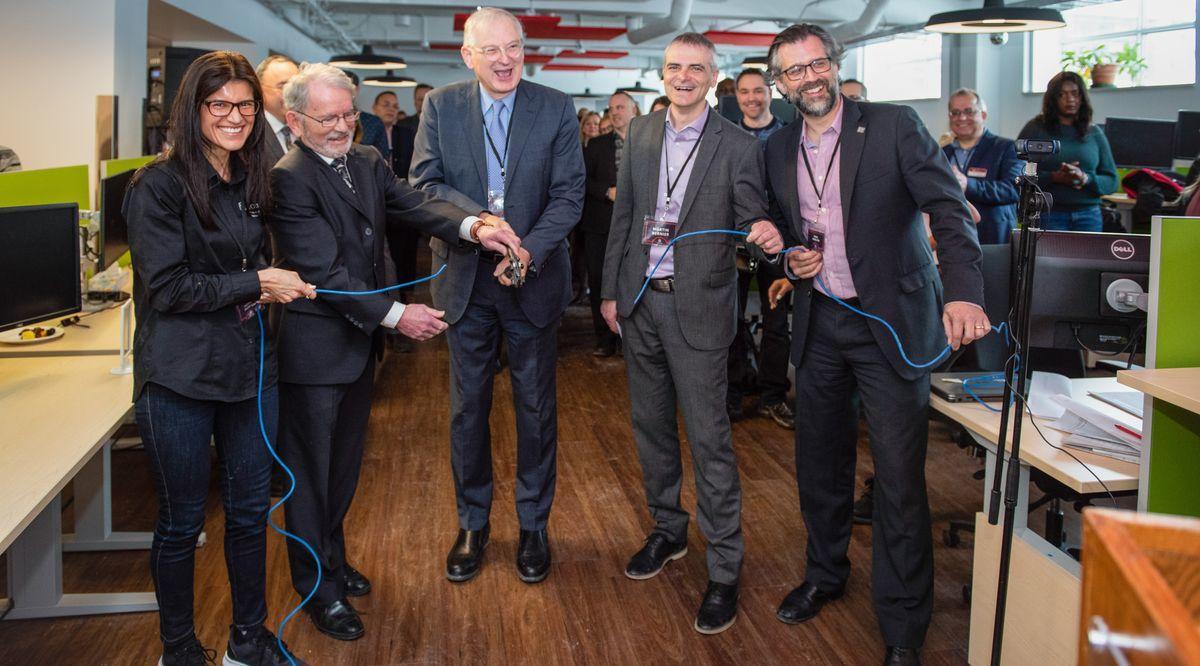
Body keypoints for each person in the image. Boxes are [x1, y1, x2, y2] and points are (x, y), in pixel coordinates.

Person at [269, 62, 520, 641]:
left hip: (355, 346)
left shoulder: (365, 160)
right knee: (311, 478)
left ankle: (332, 561)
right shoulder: (289, 178)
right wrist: (397, 316)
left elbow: (414, 205)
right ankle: (316, 591)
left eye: (347, 115)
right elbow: (322, 272)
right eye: (327, 117)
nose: (340, 127)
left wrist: (475, 227)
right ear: (295, 119)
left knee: (342, 470)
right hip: (314, 351)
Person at [763, 24, 987, 665]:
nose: (809, 77)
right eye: (794, 70)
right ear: (779, 83)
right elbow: (779, 232)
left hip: (891, 322)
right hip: (822, 323)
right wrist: (788, 264)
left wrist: (964, 293)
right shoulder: (777, 148)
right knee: (819, 468)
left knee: (896, 478)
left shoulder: (893, 126)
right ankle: (825, 576)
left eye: (817, 64)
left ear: (834, 65)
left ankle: (904, 626)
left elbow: (948, 209)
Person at [124, 50, 315, 666]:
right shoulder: (157, 185)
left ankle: (247, 641)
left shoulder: (250, 177)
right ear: (194, 109)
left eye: (246, 105)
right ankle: (179, 651)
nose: (235, 116)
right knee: (182, 523)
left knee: (248, 515)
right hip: (179, 379)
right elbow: (167, 288)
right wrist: (260, 282)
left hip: (247, 372)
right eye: (220, 105)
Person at [600, 32, 784, 635]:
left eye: (696, 68)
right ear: (662, 74)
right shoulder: (640, 132)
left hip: (700, 307)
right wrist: (610, 291)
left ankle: (724, 567)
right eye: (674, 67)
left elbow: (749, 213)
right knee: (650, 427)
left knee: (709, 442)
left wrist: (758, 230)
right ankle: (667, 531)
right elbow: (624, 216)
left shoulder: (736, 144)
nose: (683, 76)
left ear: (713, 76)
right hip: (640, 302)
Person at [409, 7, 586, 585]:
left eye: (514, 46)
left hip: (531, 280)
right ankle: (473, 523)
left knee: (536, 410)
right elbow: (426, 185)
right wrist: (479, 225)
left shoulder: (555, 107)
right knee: (467, 410)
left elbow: (568, 196)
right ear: (468, 56)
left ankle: (534, 525)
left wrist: (525, 250)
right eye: (492, 50)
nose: (506, 59)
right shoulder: (441, 106)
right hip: (465, 279)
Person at [727, 67, 793, 428]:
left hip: (779, 243)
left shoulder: (787, 137)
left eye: (758, 91)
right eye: (745, 92)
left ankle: (773, 396)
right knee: (731, 321)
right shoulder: (725, 136)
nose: (752, 98)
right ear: (736, 96)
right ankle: (733, 394)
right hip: (735, 242)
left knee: (777, 323)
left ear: (770, 94)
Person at [1018, 71, 1118, 232]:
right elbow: (1017, 174)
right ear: (1052, 99)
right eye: (1061, 95)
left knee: (1088, 258)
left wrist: (1084, 178)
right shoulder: (1036, 128)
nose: (1070, 99)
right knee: (1049, 258)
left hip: (1088, 215)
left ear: (1082, 97)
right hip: (1048, 214)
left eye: (1074, 93)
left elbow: (1112, 181)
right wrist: (1054, 177)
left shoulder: (1094, 132)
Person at [582, 92, 636, 357]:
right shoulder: (596, 145)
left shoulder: (647, 142)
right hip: (600, 226)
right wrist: (607, 191)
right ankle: (604, 339)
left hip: (636, 228)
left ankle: (630, 339)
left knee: (632, 282)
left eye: (620, 107)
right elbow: (581, 181)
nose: (615, 112)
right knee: (600, 281)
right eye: (611, 108)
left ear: (634, 110)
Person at [942, 88, 1023, 245]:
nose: (962, 117)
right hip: (954, 237)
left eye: (969, 111)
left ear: (983, 115)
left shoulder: (1006, 148)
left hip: (993, 237)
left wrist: (968, 185)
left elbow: (1013, 189)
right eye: (955, 113)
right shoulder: (942, 153)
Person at [256, 55, 299, 163]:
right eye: (283, 86)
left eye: (296, 86)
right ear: (260, 90)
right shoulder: (251, 134)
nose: (292, 93)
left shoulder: (308, 127)